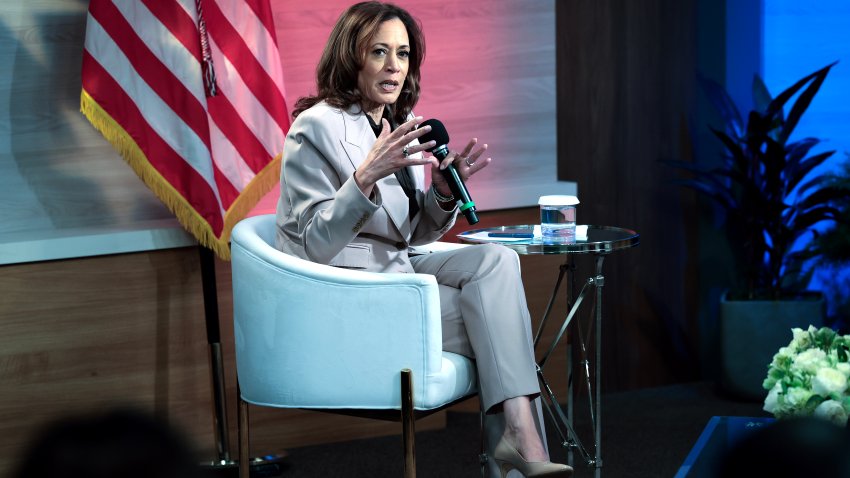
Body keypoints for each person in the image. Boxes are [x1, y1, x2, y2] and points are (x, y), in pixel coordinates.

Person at [274, 2, 572, 476]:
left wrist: (440, 194)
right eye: (379, 52)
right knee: (498, 321)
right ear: (351, 58)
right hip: (350, 291)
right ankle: (524, 448)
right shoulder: (315, 128)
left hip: (401, 270)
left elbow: (410, 234)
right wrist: (363, 178)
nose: (394, 66)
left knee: (496, 261)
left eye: (403, 54)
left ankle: (519, 442)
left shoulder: (398, 122)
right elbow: (314, 244)